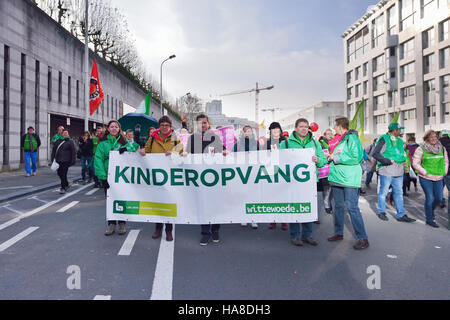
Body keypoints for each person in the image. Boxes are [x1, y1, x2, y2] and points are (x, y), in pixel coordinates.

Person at [279, 118, 327, 247]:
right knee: (295, 208)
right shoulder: (286, 143)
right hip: (292, 182)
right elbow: (279, 161)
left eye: (306, 126)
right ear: (295, 128)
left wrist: (318, 160)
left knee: (308, 208)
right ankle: (295, 235)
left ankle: (308, 235)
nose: (304, 128)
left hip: (310, 182)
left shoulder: (316, 144)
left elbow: (323, 161)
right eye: (301, 126)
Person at [326, 117, 369, 250]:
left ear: (340, 126)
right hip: (337, 178)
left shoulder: (352, 138)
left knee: (352, 208)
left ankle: (363, 238)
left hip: (349, 178)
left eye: (335, 126)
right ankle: (339, 233)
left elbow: (356, 157)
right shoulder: (338, 140)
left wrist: (335, 157)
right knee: (338, 206)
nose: (334, 128)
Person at [140, 116, 184, 242]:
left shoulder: (175, 137)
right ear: (159, 126)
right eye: (162, 124)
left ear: (170, 126)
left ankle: (169, 230)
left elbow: (183, 151)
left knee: (169, 202)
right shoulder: (152, 137)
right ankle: (158, 228)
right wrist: (142, 151)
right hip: (156, 175)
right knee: (157, 201)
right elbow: (146, 150)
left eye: (167, 125)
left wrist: (174, 152)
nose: (164, 127)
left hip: (169, 176)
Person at [185, 114, 228, 246]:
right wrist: (184, 154)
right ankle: (205, 232)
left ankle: (215, 230)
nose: (202, 125)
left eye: (204, 123)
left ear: (208, 124)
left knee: (215, 205)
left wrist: (225, 152)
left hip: (214, 178)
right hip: (199, 178)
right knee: (202, 204)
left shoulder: (215, 137)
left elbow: (223, 151)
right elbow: (188, 154)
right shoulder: (192, 138)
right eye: (199, 123)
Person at [95, 120, 142, 236]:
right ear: (108, 129)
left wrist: (126, 149)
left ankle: (122, 222)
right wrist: (102, 177)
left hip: (121, 176)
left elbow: (134, 149)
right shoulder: (102, 142)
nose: (114, 128)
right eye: (112, 127)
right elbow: (98, 159)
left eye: (116, 127)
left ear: (119, 129)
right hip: (108, 175)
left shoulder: (123, 141)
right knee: (110, 199)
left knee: (122, 198)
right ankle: (111, 224)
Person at [373, 123, 416, 223]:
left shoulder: (400, 141)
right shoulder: (384, 138)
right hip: (386, 170)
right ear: (394, 130)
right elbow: (375, 153)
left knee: (399, 193)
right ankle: (381, 212)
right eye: (399, 129)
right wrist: (387, 161)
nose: (400, 131)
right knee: (383, 192)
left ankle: (401, 214)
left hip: (398, 171)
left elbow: (402, 155)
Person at [412, 130, 449, 228]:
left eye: (435, 137)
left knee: (439, 198)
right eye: (431, 137)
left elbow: (446, 161)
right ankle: (429, 219)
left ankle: (430, 210)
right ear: (427, 138)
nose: (434, 139)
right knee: (430, 198)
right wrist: (424, 172)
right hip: (426, 178)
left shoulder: (442, 148)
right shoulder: (421, 148)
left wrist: (444, 171)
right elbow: (415, 163)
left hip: (439, 177)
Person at [233, 125, 260, 229]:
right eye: (246, 131)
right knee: (242, 195)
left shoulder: (256, 143)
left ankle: (254, 219)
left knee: (253, 196)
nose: (248, 133)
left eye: (250, 131)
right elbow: (232, 155)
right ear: (243, 133)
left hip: (253, 172)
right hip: (242, 173)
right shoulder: (238, 144)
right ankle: (243, 217)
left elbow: (262, 156)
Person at [265, 122, 288, 231]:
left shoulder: (285, 142)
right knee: (272, 197)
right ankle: (273, 219)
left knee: (283, 197)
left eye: (276, 128)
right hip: (270, 172)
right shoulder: (267, 142)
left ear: (280, 130)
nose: (274, 130)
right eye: (272, 129)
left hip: (283, 171)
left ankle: (283, 220)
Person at [51, 128, 76, 194]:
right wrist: (52, 158)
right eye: (64, 133)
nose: (65, 134)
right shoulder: (58, 141)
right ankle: (66, 183)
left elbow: (73, 152)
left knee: (63, 174)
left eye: (66, 133)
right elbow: (54, 150)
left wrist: (73, 160)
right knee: (59, 173)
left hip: (66, 161)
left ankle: (63, 187)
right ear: (62, 134)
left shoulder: (70, 141)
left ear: (68, 134)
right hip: (58, 160)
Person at [317, 128, 334, 215]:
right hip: (325, 169)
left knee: (332, 189)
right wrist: (326, 156)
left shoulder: (334, 142)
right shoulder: (321, 143)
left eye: (331, 133)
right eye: (328, 134)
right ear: (324, 135)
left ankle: (328, 202)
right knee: (326, 188)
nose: (330, 135)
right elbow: (318, 154)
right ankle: (327, 205)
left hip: (333, 168)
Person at [439, 130, 450, 209]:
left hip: (439, 170)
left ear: (441, 135)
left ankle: (441, 201)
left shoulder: (437, 144)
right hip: (448, 171)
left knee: (439, 187)